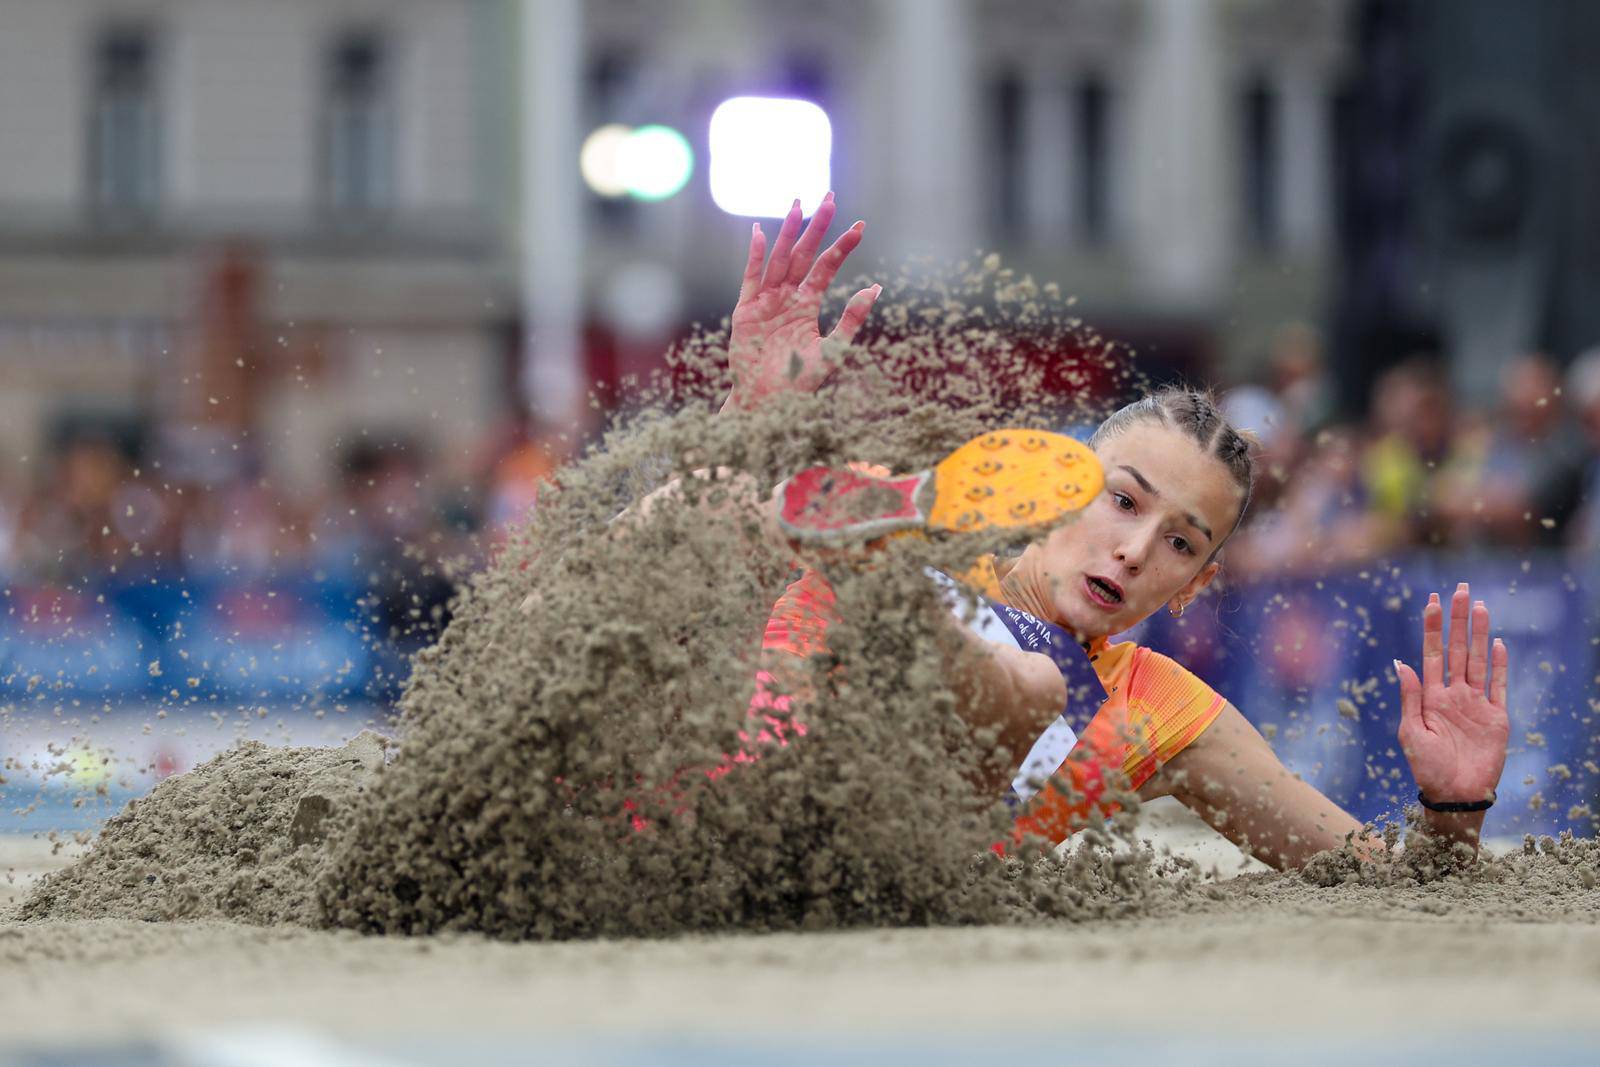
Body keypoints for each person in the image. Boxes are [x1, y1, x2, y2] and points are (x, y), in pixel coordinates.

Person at [668, 195, 1511, 871]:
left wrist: (1454, 811)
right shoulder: (931, 512)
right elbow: (682, 555)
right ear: (1059, 487)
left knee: (1036, 683)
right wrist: (751, 425)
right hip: (672, 825)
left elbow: (1370, 872)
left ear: (1198, 583)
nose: (1137, 550)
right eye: (1123, 501)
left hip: (837, 886)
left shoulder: (1168, 711)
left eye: (1182, 544)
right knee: (706, 507)